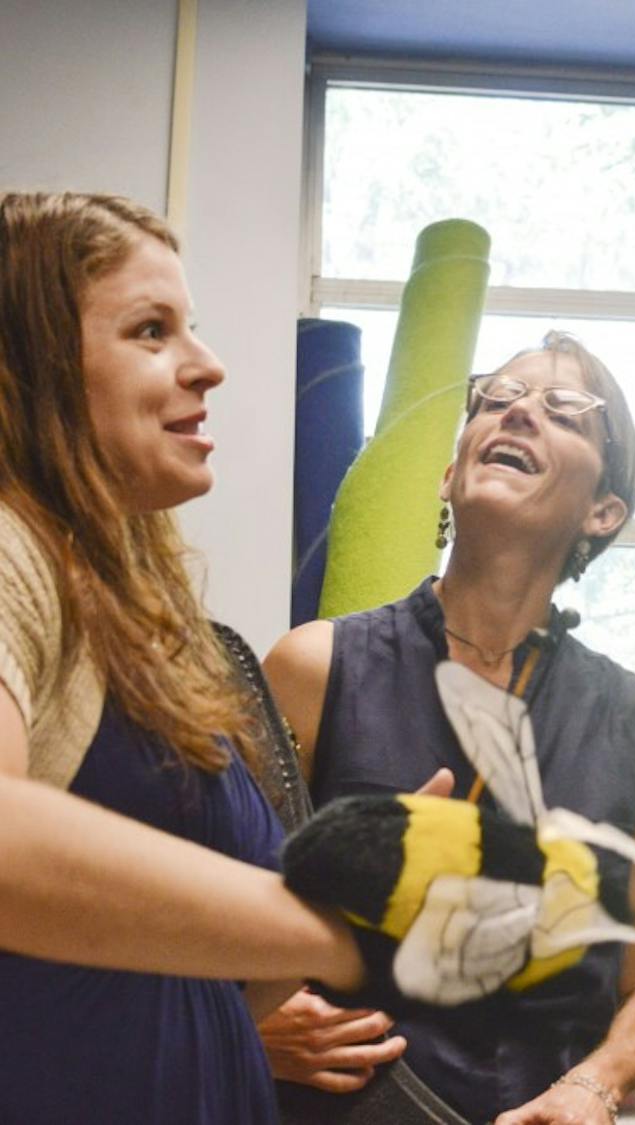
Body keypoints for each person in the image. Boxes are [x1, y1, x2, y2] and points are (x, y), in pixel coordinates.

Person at [0, 190, 374, 1122]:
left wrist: (369, 897)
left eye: (191, 328)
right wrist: (327, 934)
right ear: (34, 365)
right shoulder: (14, 554)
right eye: (151, 330)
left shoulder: (150, 619)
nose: (207, 365)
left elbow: (200, 980)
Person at [262, 330, 635, 1124]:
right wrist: (253, 1020)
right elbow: (206, 927)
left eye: (564, 410)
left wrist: (593, 1085)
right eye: (496, 396)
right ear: (451, 470)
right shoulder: (313, 668)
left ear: (604, 510)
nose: (519, 410)